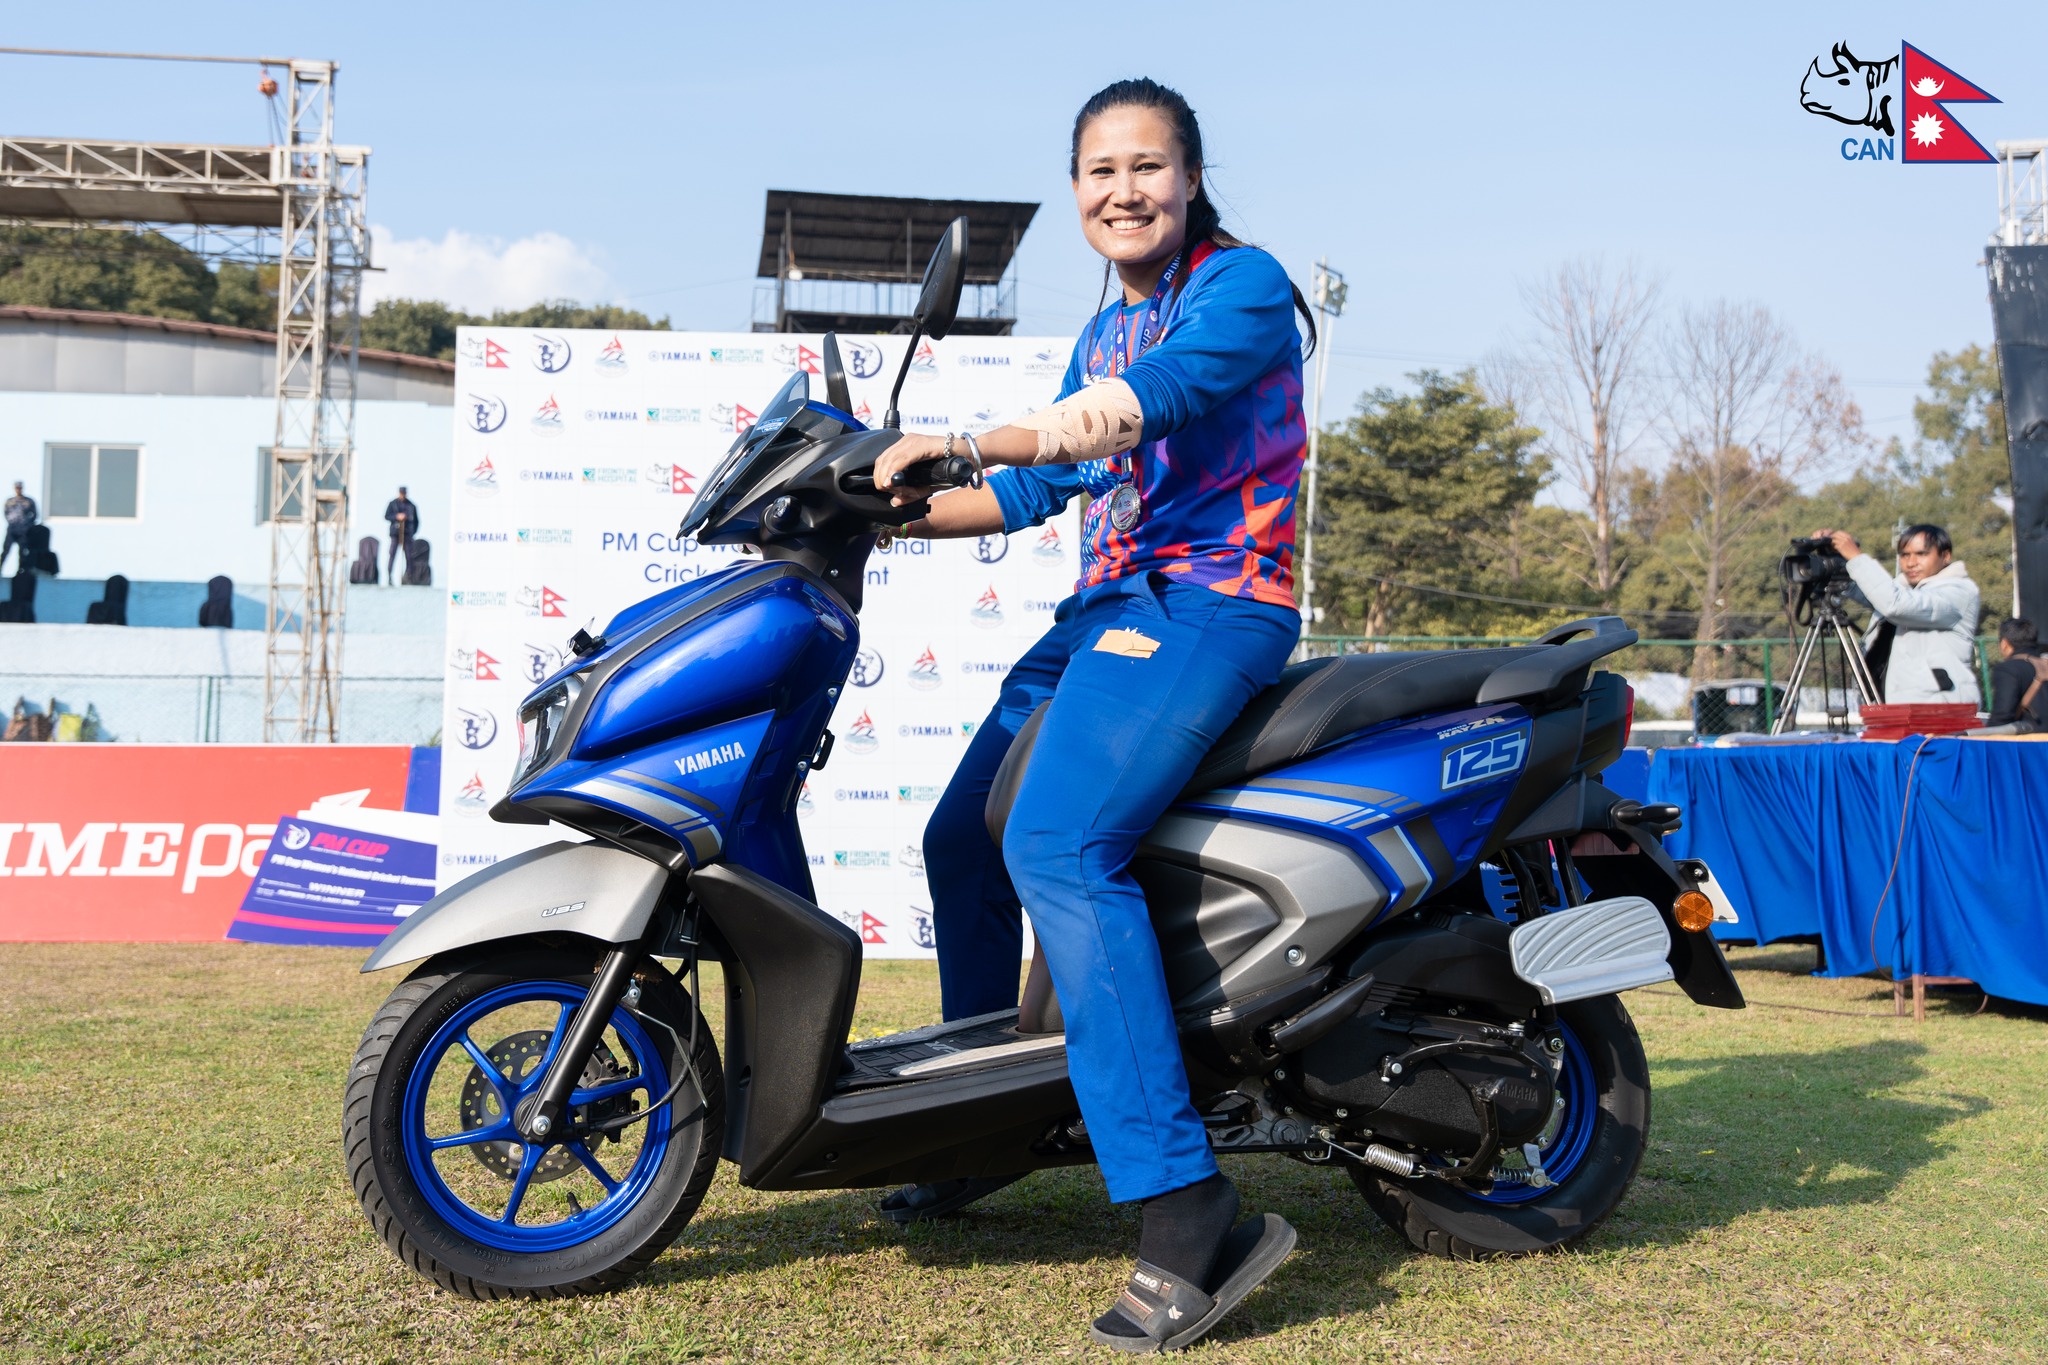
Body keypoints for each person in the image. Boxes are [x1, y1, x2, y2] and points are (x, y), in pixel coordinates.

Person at [871, 78, 1310, 1351]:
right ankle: (979, 1130)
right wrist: (875, 510)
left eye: (1146, 166)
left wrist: (973, 441)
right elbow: (1032, 493)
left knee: (1058, 845)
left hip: (1210, 600)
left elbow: (1145, 404)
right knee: (961, 839)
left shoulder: (1240, 287)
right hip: (1104, 611)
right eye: (1099, 172)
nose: (1123, 191)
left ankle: (1189, 1207)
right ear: (1074, 192)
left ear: (1189, 179)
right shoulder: (1101, 326)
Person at [1813, 523, 1981, 705]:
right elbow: (1869, 591)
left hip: (1940, 709)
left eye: (1921, 554)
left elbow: (1896, 604)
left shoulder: (1958, 592)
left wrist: (1856, 557)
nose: (1911, 562)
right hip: (1887, 706)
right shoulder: (1901, 590)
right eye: (1904, 555)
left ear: (1945, 556)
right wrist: (1833, 556)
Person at [1972, 617, 2048, 735]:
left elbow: (2003, 715)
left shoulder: (2009, 669)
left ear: (2004, 644)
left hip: (2030, 741)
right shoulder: (2044, 664)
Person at [384, 487, 419, 584]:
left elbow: (416, 521)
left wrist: (412, 532)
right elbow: (386, 516)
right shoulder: (393, 504)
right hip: (395, 533)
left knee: (409, 555)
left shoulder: (411, 505)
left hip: (407, 534)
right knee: (392, 554)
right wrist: (396, 516)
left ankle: (408, 576)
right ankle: (389, 576)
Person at [3, 481, 36, 576]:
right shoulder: (10, 501)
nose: (18, 489)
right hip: (12, 530)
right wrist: (11, 522)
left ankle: (20, 571)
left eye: (20, 488)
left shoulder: (28, 501)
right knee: (6, 550)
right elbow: (6, 513)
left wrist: (27, 524)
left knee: (22, 552)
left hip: (24, 531)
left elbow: (34, 514)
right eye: (17, 488)